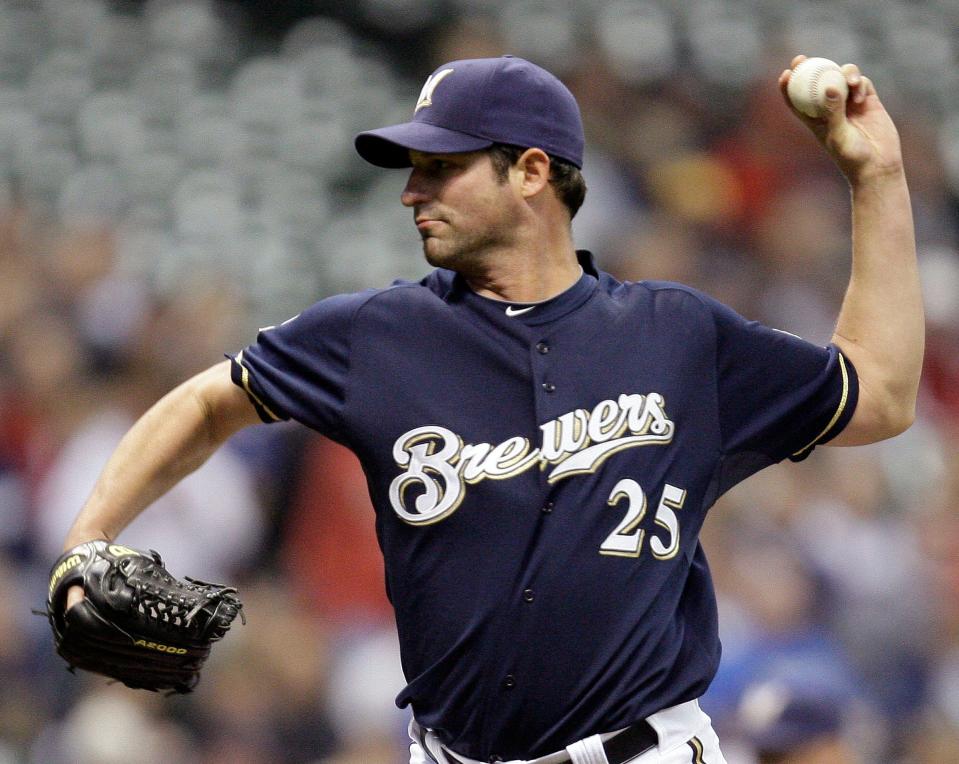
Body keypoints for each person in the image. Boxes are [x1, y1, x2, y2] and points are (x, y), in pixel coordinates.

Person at [59, 54, 922, 764]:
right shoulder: (375, 335)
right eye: (413, 170)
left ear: (532, 174)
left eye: (441, 167)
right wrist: (86, 538)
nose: (411, 191)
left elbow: (876, 393)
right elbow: (211, 401)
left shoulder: (676, 336)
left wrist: (874, 176)